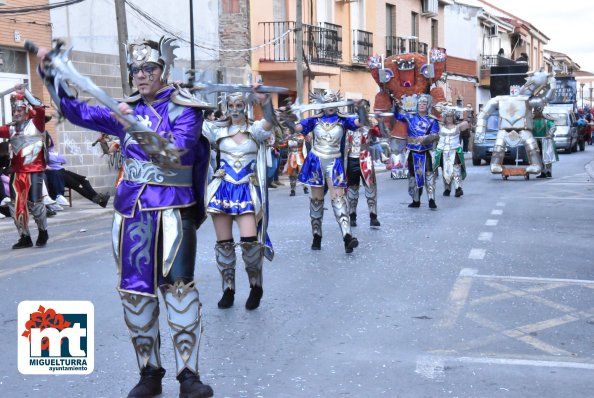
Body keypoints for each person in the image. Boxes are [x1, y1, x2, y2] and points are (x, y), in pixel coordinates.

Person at [36, 37, 214, 398]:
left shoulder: (186, 109)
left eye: (149, 68)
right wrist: (51, 74)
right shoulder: (124, 109)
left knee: (179, 291)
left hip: (173, 210)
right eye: (136, 70)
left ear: (163, 70)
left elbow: (176, 153)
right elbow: (75, 112)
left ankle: (189, 376)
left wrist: (134, 124)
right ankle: (149, 373)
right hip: (132, 213)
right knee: (135, 295)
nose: (142, 75)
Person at [202, 91, 274, 310]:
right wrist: (177, 92)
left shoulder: (255, 130)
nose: (234, 109)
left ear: (246, 106)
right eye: (231, 105)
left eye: (239, 104)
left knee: (250, 243)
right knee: (224, 245)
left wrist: (265, 100)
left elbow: (270, 121)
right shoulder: (217, 129)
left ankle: (255, 286)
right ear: (226, 106)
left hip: (246, 189)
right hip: (222, 189)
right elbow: (189, 122)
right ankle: (228, 289)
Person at [283, 90, 365, 253]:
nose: (331, 106)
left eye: (333, 102)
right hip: (316, 161)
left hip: (334, 162)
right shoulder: (314, 121)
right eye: (327, 102)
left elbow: (360, 122)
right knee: (316, 200)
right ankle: (316, 235)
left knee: (339, 199)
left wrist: (360, 107)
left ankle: (347, 236)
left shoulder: (343, 121)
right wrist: (289, 116)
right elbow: (296, 128)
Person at [475, 70, 555, 175]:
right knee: (498, 146)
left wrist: (552, 85)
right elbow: (483, 114)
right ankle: (495, 164)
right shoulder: (499, 99)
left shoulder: (526, 100)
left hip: (523, 129)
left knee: (531, 146)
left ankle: (536, 165)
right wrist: (480, 130)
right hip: (504, 129)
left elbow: (545, 98)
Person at [0, 85, 49, 249]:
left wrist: (25, 93)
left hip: (34, 170)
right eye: (14, 111)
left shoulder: (37, 124)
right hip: (16, 172)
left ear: (26, 110)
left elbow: (40, 108)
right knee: (16, 206)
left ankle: (43, 231)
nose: (16, 113)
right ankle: (25, 237)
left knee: (35, 204)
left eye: (19, 110)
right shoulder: (10, 129)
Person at [393, 94, 440, 209]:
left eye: (424, 104)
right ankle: (415, 199)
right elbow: (397, 116)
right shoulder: (409, 117)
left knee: (429, 174)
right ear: (417, 105)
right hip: (412, 150)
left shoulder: (432, 120)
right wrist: (395, 106)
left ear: (427, 105)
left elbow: (435, 135)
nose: (422, 105)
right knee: (413, 176)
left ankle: (431, 199)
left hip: (425, 150)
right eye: (420, 103)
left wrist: (425, 138)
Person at [45, 135, 110, 207]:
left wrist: (56, 159)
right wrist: (57, 159)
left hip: (62, 171)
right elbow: (56, 160)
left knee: (84, 179)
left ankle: (98, 198)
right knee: (78, 186)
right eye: (47, 140)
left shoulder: (53, 151)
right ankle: (100, 200)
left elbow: (64, 160)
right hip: (57, 174)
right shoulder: (45, 152)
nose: (49, 141)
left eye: (49, 139)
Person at [346, 124, 381, 227]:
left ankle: (373, 216)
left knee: (370, 187)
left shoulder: (369, 126)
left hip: (366, 158)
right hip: (351, 159)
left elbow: (381, 133)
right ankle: (352, 217)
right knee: (352, 188)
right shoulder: (346, 124)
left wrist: (380, 121)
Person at [434, 108, 469, 197]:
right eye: (447, 116)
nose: (449, 118)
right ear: (444, 117)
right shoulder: (440, 126)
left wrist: (463, 116)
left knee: (456, 168)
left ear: (453, 117)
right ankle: (447, 188)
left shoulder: (458, 127)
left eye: (451, 116)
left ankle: (458, 188)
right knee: (445, 169)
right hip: (443, 150)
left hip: (455, 150)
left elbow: (466, 124)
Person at [533, 107, 558, 178]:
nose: (535, 113)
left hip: (546, 141)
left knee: (547, 156)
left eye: (536, 111)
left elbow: (553, 127)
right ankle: (542, 171)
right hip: (536, 141)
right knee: (538, 157)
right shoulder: (532, 121)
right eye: (534, 111)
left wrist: (550, 134)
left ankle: (548, 171)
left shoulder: (546, 121)